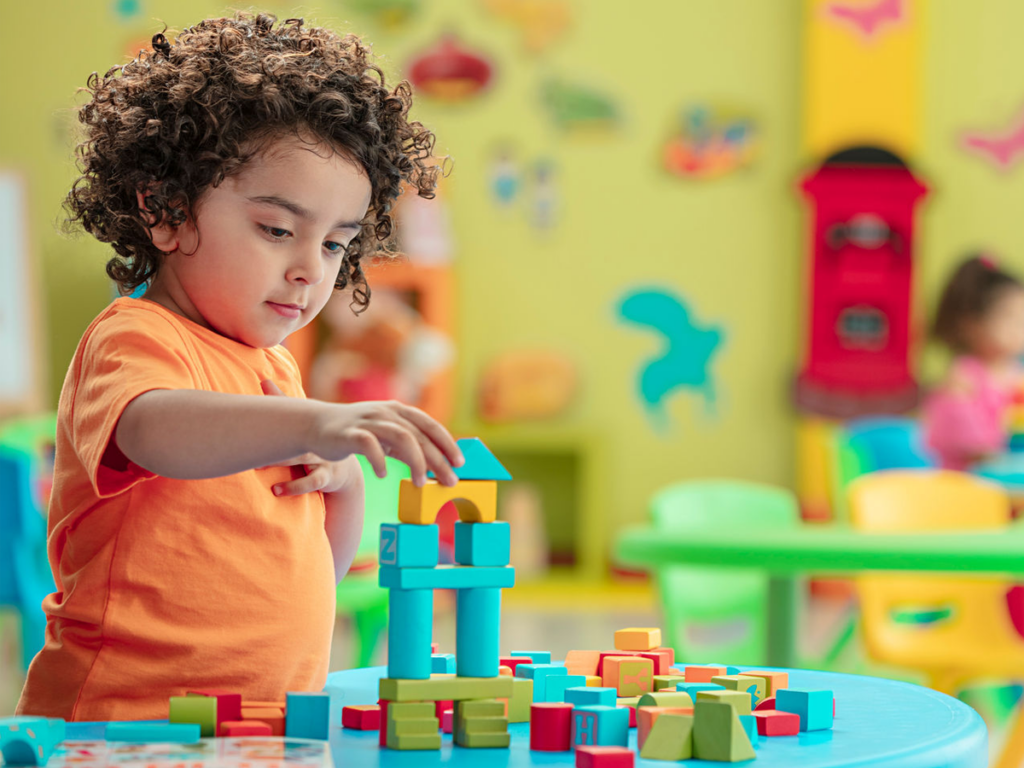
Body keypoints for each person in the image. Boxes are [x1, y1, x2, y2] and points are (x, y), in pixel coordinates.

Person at [16, 12, 463, 722]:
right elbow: (155, 430)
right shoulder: (135, 335)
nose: (307, 271)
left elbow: (310, 568)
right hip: (128, 724)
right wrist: (317, 422)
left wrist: (341, 483)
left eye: (335, 245)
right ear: (166, 209)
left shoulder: (274, 370)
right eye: (278, 230)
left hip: (266, 720)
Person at [922, 255, 1024, 470]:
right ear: (972, 324)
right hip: (968, 484)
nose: (1019, 330)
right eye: (1010, 319)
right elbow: (975, 449)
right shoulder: (964, 376)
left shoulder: (1015, 370)